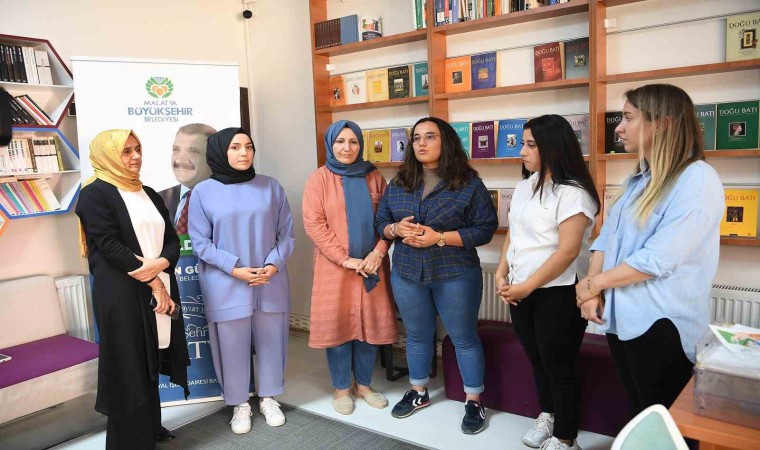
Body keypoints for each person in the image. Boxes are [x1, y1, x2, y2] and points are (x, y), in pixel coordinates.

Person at [576, 84, 724, 415]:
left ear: (662, 124)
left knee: (665, 417)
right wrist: (591, 290)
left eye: (628, 117)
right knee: (641, 410)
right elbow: (606, 238)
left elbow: (658, 258)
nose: (619, 127)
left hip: (661, 323)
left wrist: (593, 285)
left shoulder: (697, 179)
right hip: (622, 316)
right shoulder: (639, 179)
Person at [375, 116, 498, 434]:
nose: (421, 143)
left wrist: (439, 237)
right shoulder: (399, 182)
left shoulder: (468, 183)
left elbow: (485, 229)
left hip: (455, 273)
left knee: (464, 338)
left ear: (446, 142)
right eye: (416, 138)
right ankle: (418, 392)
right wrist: (395, 229)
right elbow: (381, 222)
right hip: (407, 272)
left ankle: (474, 401)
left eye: (430, 136)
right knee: (416, 335)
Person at [76, 129, 190, 450]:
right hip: (122, 294)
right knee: (129, 365)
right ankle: (129, 442)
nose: (136, 156)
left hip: (158, 286)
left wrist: (162, 264)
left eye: (137, 148)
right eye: (126, 151)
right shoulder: (95, 194)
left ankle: (150, 426)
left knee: (150, 358)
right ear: (108, 155)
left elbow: (171, 240)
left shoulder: (149, 192)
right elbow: (110, 246)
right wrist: (155, 280)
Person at [495, 115, 600, 450]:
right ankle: (548, 415)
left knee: (559, 365)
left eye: (530, 145)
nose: (522, 151)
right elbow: (513, 233)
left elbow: (568, 251)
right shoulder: (525, 186)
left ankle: (566, 438)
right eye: (523, 143)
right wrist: (501, 271)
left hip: (559, 292)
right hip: (521, 288)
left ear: (552, 146)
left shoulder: (574, 193)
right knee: (538, 359)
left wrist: (527, 286)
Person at [188, 127, 295, 434]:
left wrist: (272, 265)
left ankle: (269, 397)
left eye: (248, 146)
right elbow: (200, 242)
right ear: (220, 152)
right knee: (231, 345)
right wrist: (234, 268)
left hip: (268, 280)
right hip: (226, 281)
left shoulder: (271, 187)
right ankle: (239, 404)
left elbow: (287, 234)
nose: (244, 153)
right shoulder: (203, 192)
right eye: (235, 147)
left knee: (272, 340)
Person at [302, 120, 398, 415]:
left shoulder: (374, 177)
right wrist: (345, 259)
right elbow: (314, 224)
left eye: (353, 141)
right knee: (338, 327)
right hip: (335, 267)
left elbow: (387, 220)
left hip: (372, 266)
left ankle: (364, 385)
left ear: (361, 144)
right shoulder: (319, 179)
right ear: (330, 145)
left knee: (371, 326)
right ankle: (342, 387)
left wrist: (378, 253)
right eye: (340, 142)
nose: (347, 147)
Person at [158, 123, 217, 227]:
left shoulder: (231, 200)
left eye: (193, 151)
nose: (180, 160)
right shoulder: (157, 199)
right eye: (176, 149)